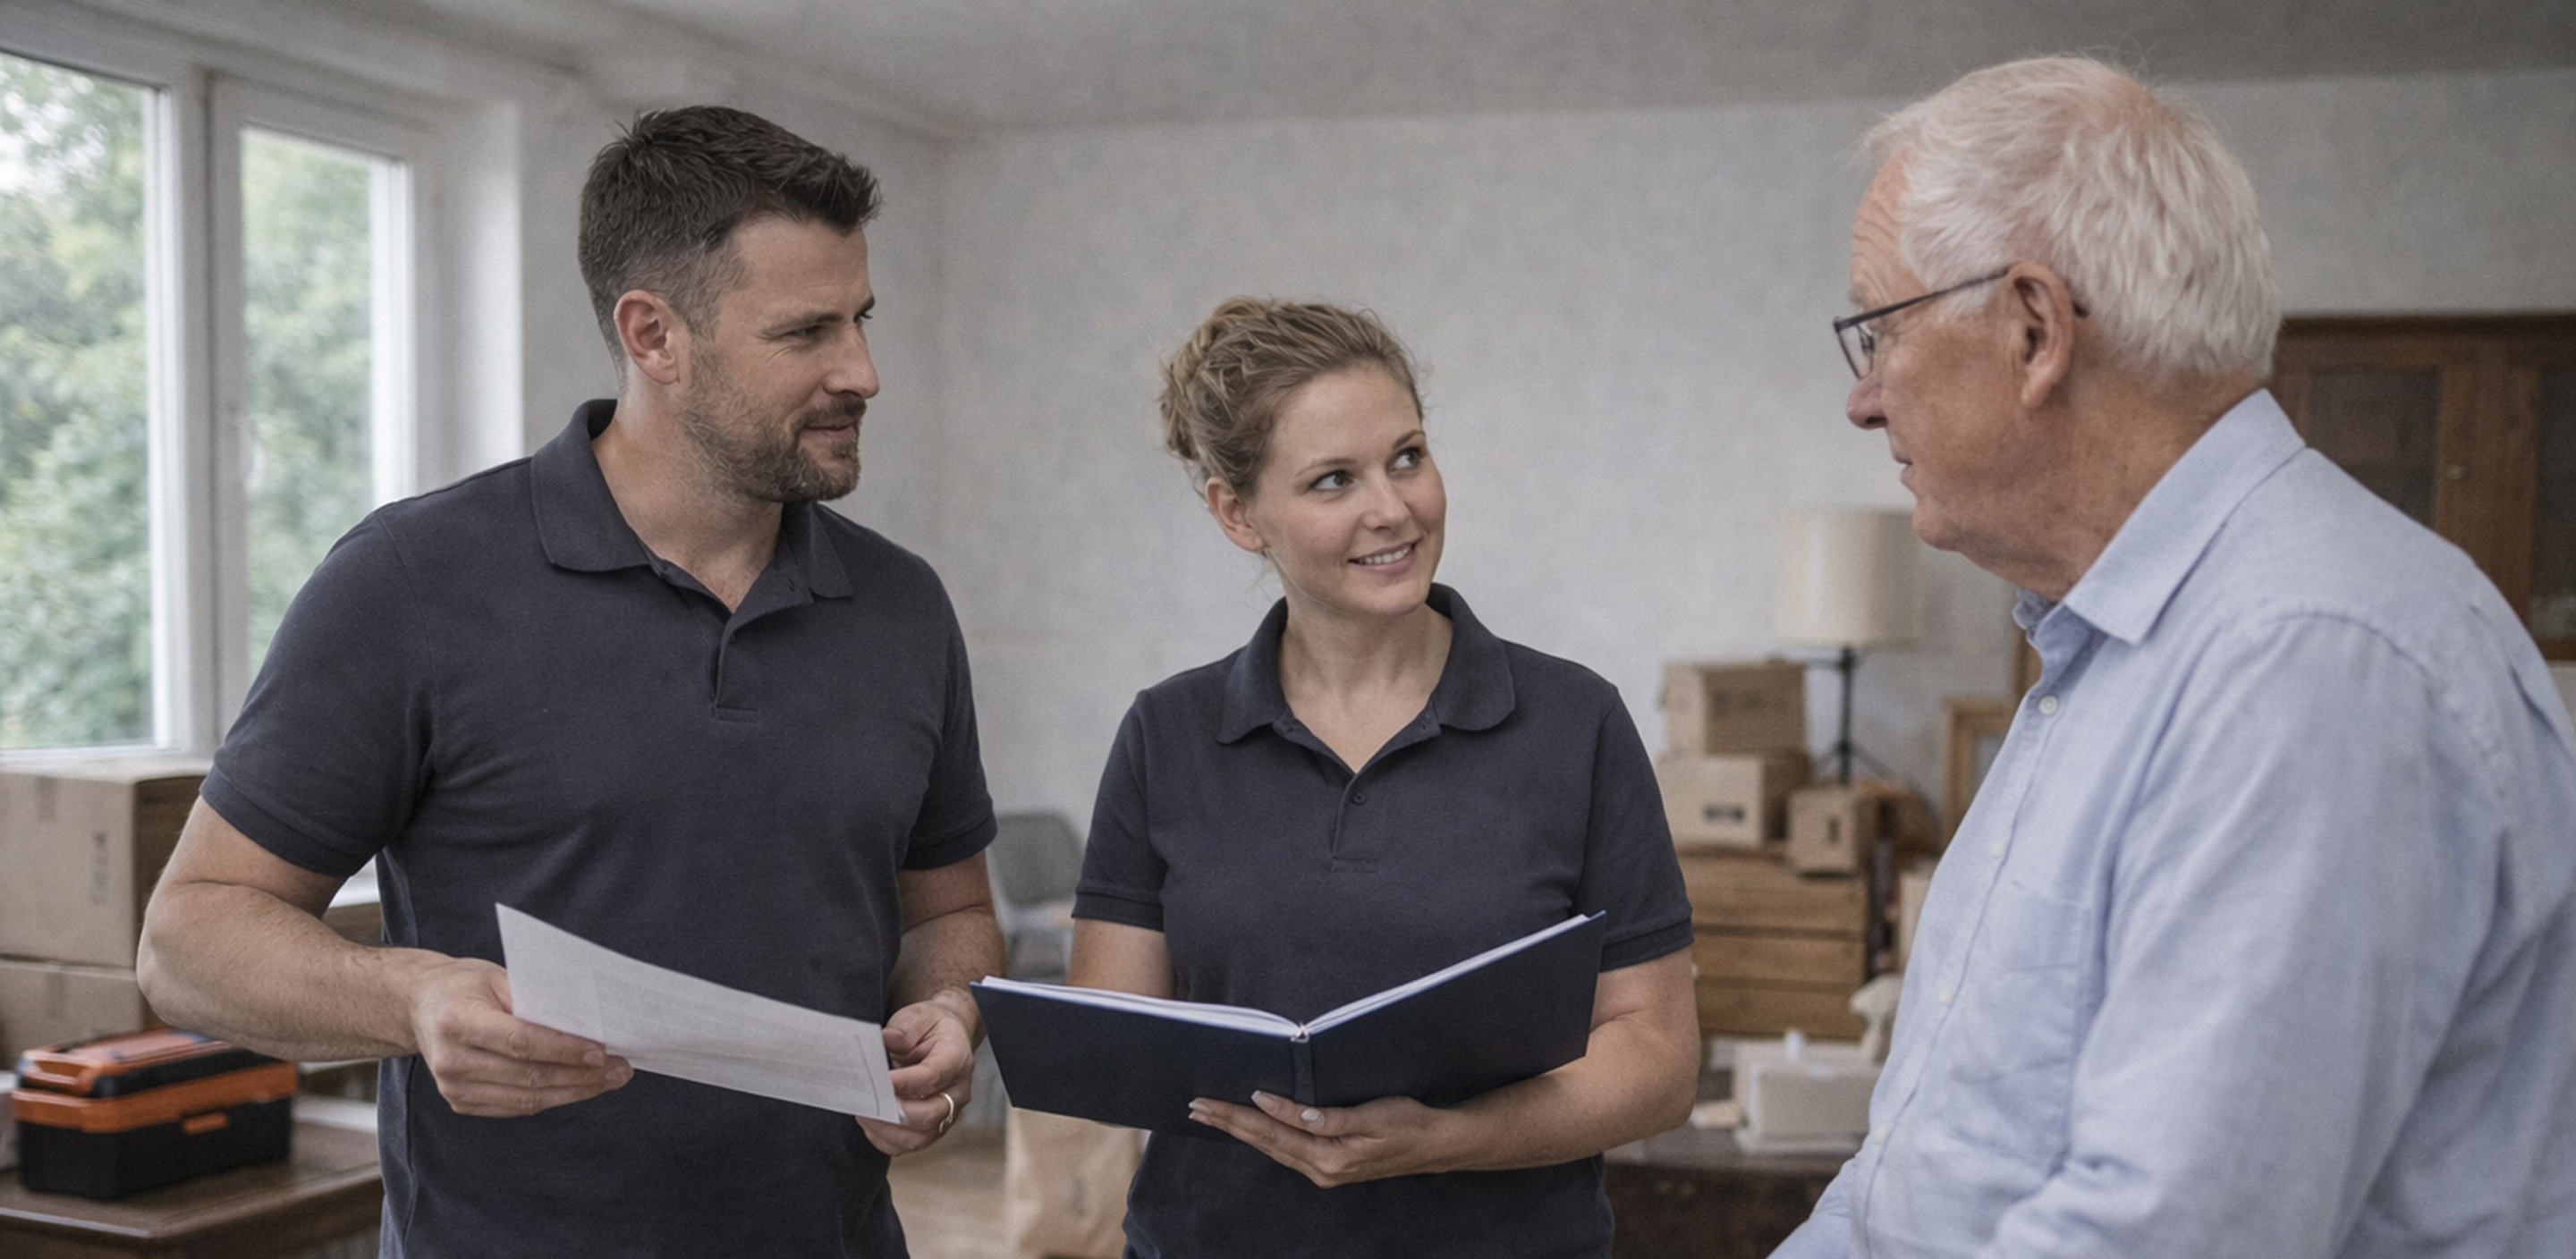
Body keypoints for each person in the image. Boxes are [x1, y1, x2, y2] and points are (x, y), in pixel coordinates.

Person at [137, 106, 1003, 1258]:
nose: (864, 371)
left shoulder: (903, 607)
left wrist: (951, 1011)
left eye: (861, 318)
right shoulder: (410, 581)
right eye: (805, 332)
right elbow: (188, 941)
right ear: (653, 335)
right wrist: (416, 999)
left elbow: (950, 911)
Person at [1775, 55, 2576, 1258]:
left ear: (2036, 328)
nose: (1865, 400)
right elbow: (1908, 1185)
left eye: (1882, 332)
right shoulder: (2102, 659)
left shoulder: (2306, 662)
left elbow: (2168, 1233)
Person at [1068, 298, 1701, 1258]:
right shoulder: (1168, 733)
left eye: (1408, 455)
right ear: (1238, 513)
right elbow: (1118, 1047)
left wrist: (1451, 1139)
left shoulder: (1577, 723)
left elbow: (1656, 1061)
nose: (1393, 507)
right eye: (1333, 480)